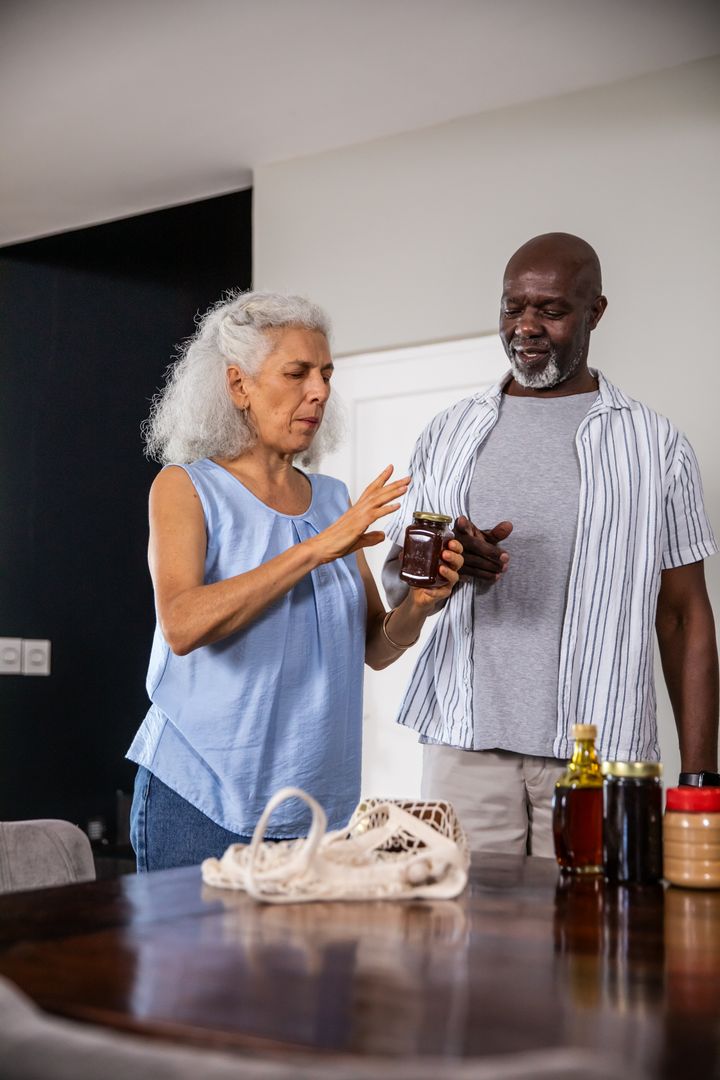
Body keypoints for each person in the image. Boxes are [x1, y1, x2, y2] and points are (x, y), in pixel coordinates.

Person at [382, 232, 719, 856]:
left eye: (552, 310)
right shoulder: (449, 433)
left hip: (603, 753)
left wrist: (701, 779)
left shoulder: (654, 445)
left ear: (595, 312)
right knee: (463, 944)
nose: (526, 327)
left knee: (597, 944)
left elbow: (682, 615)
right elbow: (401, 578)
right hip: (464, 746)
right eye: (513, 307)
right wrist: (450, 557)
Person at [127, 290, 463, 871]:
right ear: (239, 386)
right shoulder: (185, 488)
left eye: (326, 374)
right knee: (199, 966)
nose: (320, 391)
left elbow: (375, 646)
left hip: (315, 806)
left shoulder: (333, 500)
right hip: (200, 797)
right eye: (297, 373)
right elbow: (181, 625)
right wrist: (317, 548)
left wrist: (420, 605)